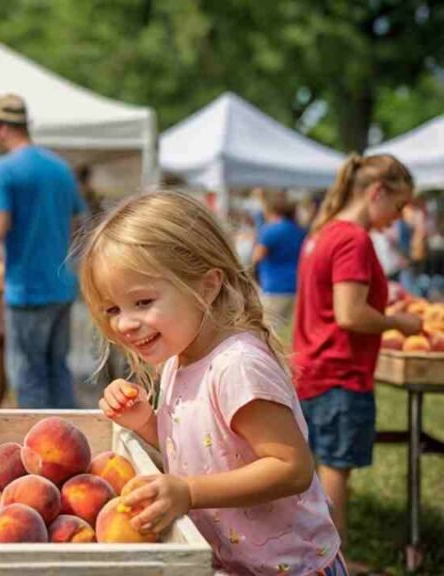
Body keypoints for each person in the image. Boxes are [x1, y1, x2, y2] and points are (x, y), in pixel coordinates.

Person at [85, 191, 344, 575]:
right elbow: (202, 448)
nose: (124, 323)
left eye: (143, 302)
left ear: (207, 286)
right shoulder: (179, 359)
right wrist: (145, 421)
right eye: (112, 309)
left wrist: (189, 492)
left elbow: (291, 468)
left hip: (292, 568)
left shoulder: (237, 366)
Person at [293, 154, 420, 560]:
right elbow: (349, 314)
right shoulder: (354, 238)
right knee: (334, 471)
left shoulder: (323, 232)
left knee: (313, 473)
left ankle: (313, 556)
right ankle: (334, 561)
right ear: (377, 192)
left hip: (312, 369)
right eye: (399, 205)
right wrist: (398, 322)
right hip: (339, 373)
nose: (398, 217)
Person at [0, 94, 87, 409]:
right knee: (58, 370)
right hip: (62, 284)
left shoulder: (1, 169)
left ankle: (38, 438)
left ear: (1, 128)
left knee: (27, 375)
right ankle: (68, 433)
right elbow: (77, 224)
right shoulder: (61, 167)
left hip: (27, 288)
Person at [252, 189, 306, 334]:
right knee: (290, 334)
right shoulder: (299, 230)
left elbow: (257, 256)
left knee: (270, 333)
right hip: (297, 286)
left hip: (275, 288)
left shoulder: (270, 231)